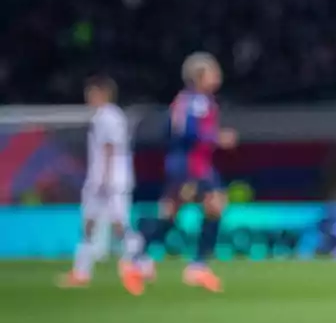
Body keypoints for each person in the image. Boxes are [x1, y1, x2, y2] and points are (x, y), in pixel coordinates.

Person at [137, 52, 237, 292]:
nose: (218, 76)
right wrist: (216, 137)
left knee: (172, 212)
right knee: (213, 204)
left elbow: (167, 130)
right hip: (193, 166)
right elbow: (188, 132)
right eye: (213, 72)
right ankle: (196, 266)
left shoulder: (184, 100)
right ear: (199, 76)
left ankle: (141, 257)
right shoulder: (198, 102)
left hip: (185, 164)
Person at [58, 75, 145, 295]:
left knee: (118, 224)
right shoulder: (106, 116)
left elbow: (109, 148)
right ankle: (81, 272)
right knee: (90, 223)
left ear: (102, 93)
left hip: (109, 180)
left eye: (92, 92)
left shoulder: (108, 116)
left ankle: (140, 262)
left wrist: (104, 179)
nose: (88, 97)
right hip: (104, 179)